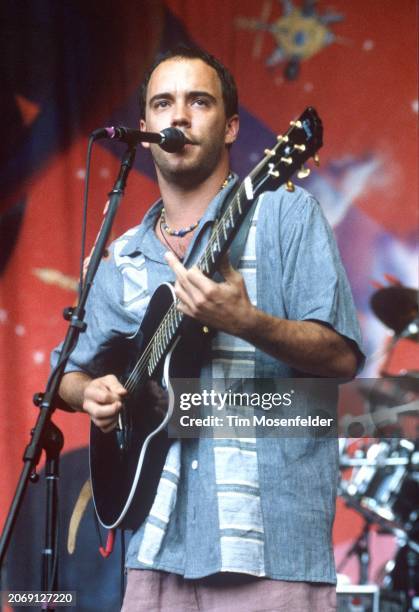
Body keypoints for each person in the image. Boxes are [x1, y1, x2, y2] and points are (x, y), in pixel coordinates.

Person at [53, 45, 363, 611]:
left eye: (199, 101)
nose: (179, 116)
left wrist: (247, 322)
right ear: (144, 129)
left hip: (269, 543)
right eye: (163, 104)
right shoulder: (120, 257)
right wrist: (91, 393)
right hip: (152, 543)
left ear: (230, 127)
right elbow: (66, 375)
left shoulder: (285, 215)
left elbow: (342, 358)